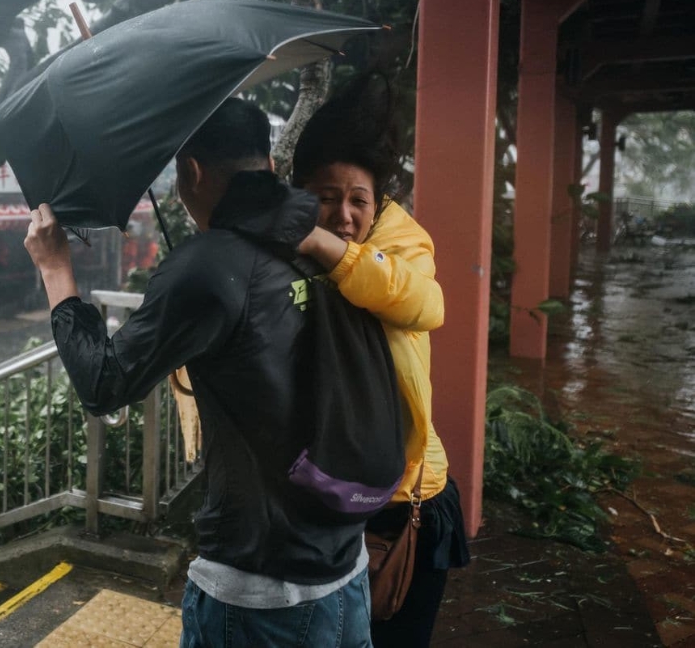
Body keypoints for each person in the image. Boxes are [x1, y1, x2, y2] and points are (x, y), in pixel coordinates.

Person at [24, 98, 373, 648]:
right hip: (346, 569)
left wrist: (55, 269)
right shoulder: (326, 239)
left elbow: (103, 383)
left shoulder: (207, 266)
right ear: (272, 167)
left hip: (257, 594)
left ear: (191, 171)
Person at [291, 77, 470, 648]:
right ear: (299, 193)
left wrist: (327, 248)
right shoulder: (283, 244)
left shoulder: (399, 239)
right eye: (325, 196)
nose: (342, 213)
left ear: (378, 200)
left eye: (357, 199)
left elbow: (425, 302)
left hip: (403, 499)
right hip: (320, 493)